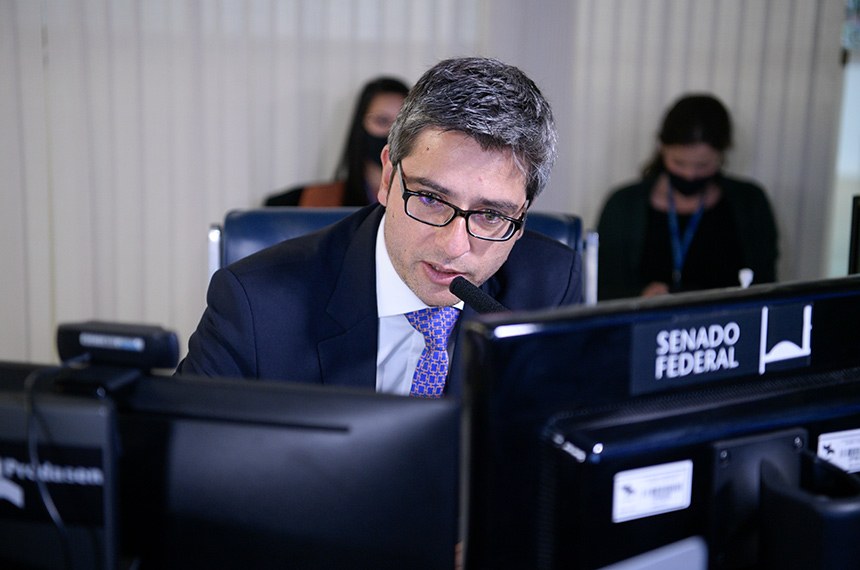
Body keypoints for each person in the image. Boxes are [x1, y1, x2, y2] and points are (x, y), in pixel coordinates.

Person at [177, 56, 583, 398]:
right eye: (430, 198)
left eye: (490, 215)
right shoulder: (257, 304)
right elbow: (180, 462)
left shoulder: (550, 285)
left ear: (523, 214)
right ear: (388, 178)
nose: (454, 246)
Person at [596, 93, 779, 301]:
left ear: (722, 154)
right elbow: (602, 289)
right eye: (679, 163)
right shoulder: (623, 205)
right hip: (646, 327)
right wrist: (640, 296)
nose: (690, 175)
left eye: (703, 165)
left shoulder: (750, 203)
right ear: (662, 148)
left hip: (727, 328)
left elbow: (766, 286)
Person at [264, 76, 410, 207]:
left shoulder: (424, 201)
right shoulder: (306, 203)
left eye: (401, 123)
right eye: (382, 121)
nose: (392, 132)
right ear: (360, 126)